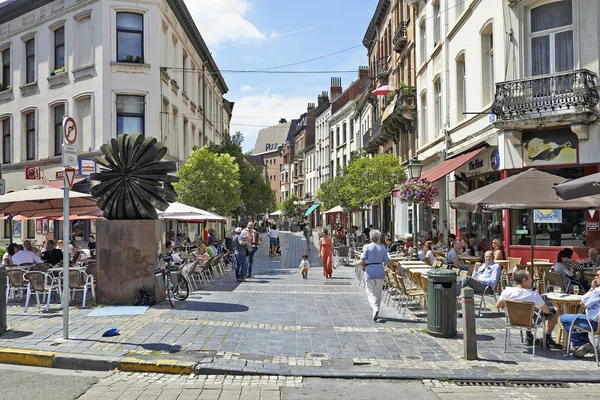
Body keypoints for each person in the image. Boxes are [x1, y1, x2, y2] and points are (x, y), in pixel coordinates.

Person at [496, 270, 561, 348]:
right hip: (529, 321)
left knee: (527, 311)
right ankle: (547, 338)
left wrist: (508, 306)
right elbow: (546, 311)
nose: (532, 280)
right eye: (530, 278)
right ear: (524, 280)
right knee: (555, 310)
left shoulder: (507, 291)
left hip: (513, 319)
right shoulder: (533, 295)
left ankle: (529, 336)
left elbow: (498, 305)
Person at [559, 269, 600, 358]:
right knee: (580, 317)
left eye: (597, 275)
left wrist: (592, 288)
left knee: (564, 318)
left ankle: (580, 343)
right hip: (595, 321)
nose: (595, 277)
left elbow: (583, 303)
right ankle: (585, 342)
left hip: (593, 324)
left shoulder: (598, 291)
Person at [360, 229, 390, 321]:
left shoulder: (368, 247)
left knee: (370, 292)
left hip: (369, 271)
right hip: (380, 271)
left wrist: (363, 264)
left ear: (371, 237)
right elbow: (387, 261)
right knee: (378, 293)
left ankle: (375, 308)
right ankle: (376, 310)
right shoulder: (383, 248)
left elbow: (363, 259)